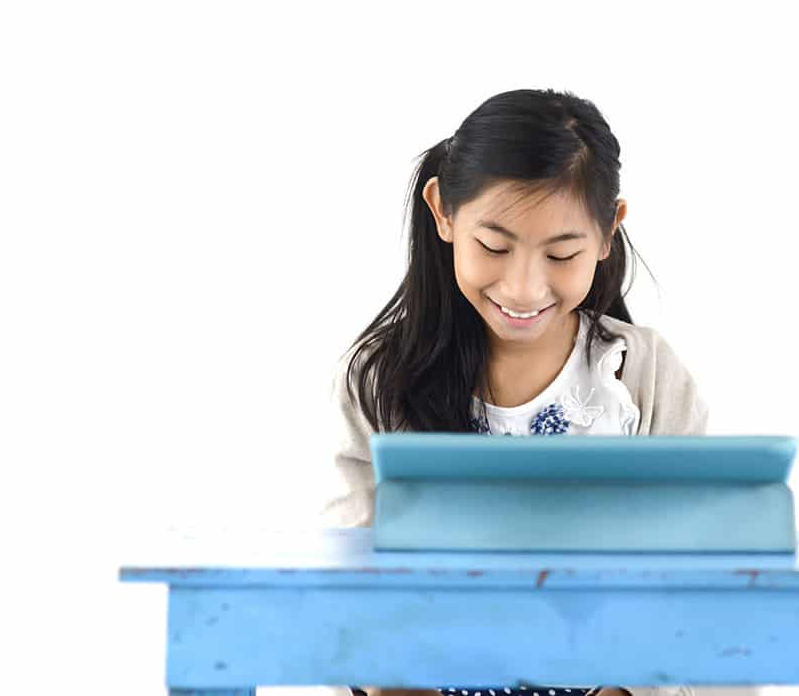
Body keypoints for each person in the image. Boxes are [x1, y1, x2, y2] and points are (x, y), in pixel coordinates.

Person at [321, 89, 758, 696]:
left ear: (608, 233)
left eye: (561, 254)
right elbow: (353, 587)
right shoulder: (381, 379)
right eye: (494, 247)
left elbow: (696, 581)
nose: (524, 289)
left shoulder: (642, 373)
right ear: (443, 212)